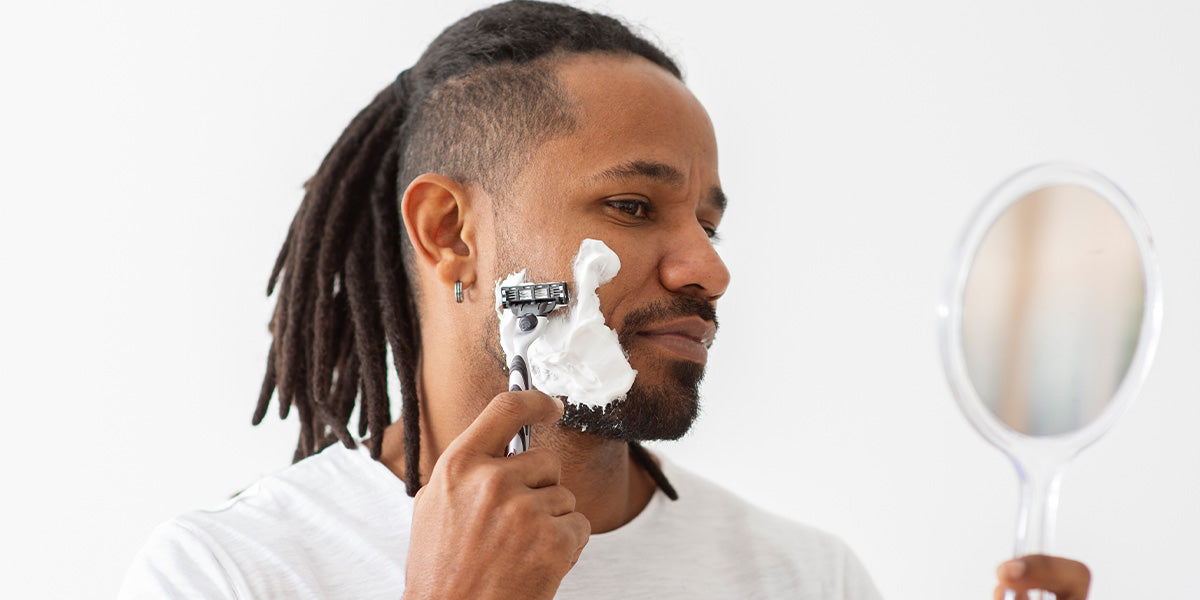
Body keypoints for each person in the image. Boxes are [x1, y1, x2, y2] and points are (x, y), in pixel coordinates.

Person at [119, 2, 1092, 598]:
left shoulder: (805, 581)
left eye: (710, 223)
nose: (706, 269)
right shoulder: (232, 576)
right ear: (450, 234)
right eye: (633, 206)